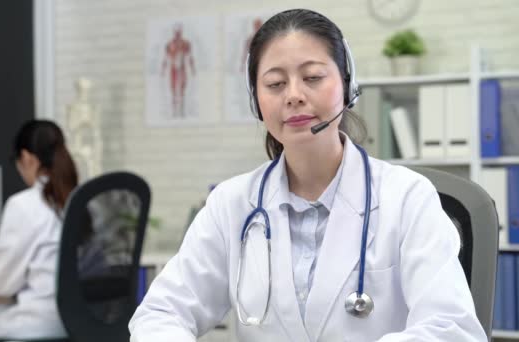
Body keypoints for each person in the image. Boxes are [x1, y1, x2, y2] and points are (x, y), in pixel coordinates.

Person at [129, 9, 486, 342]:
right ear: (256, 101)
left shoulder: (407, 197)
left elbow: (451, 327)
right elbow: (160, 313)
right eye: (275, 84)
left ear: (347, 85)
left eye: (313, 77)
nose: (294, 96)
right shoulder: (232, 204)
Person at [0, 119, 78, 341]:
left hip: (41, 323)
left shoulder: (23, 205)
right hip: (82, 322)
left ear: (26, 158)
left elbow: (3, 284)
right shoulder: (80, 201)